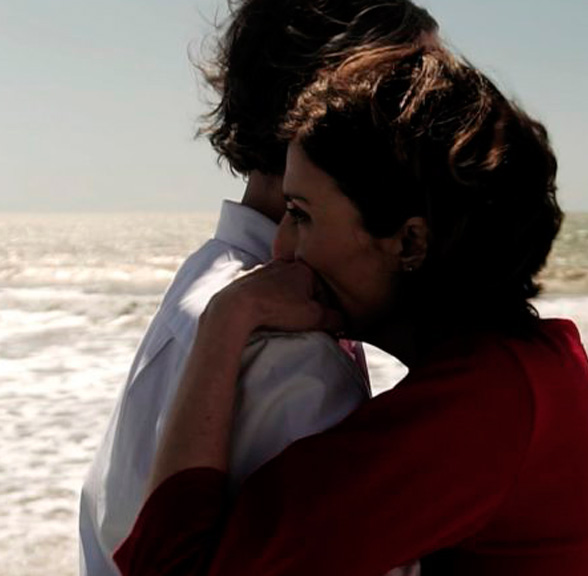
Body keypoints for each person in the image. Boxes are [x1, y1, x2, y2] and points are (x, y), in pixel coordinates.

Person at [113, 41, 588, 575]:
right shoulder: (539, 368)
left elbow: (169, 570)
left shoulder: (482, 411)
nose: (279, 248)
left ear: (410, 241)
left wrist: (224, 323)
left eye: (301, 214)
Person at [78, 2, 438, 574]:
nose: (443, 117)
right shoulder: (289, 352)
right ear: (331, 102)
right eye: (414, 90)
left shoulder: (209, 276)